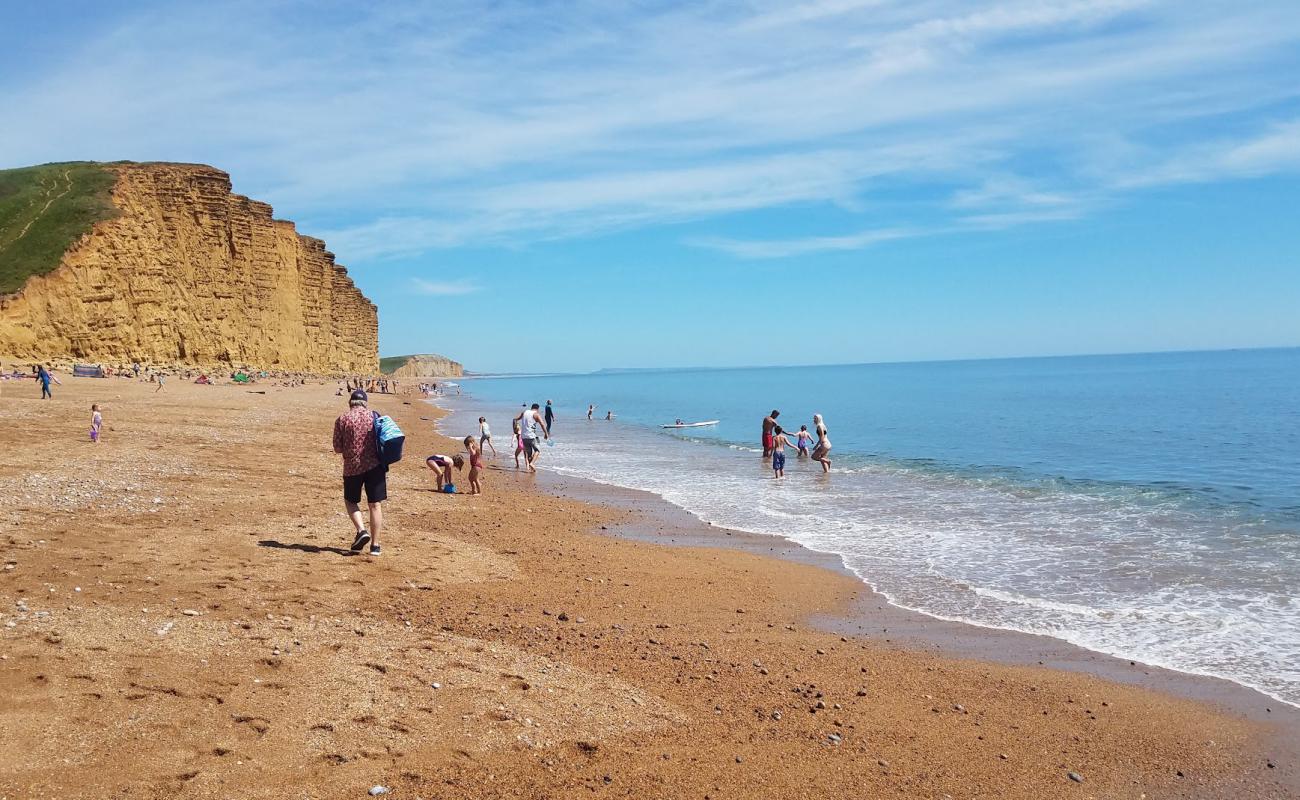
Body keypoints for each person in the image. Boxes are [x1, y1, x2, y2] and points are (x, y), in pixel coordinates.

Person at [333, 389, 386, 556]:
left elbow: (337, 448)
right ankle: (375, 546)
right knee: (375, 505)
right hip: (375, 466)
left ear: (350, 403)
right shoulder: (375, 417)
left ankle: (361, 530)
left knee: (350, 501)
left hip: (352, 467)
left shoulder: (342, 419)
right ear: (365, 403)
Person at [514, 403, 550, 473]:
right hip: (532, 436)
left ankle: (532, 470)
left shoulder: (524, 412)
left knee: (529, 454)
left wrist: (514, 426)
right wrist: (546, 434)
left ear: (531, 407)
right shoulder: (536, 414)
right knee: (537, 450)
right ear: (537, 409)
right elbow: (542, 424)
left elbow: (516, 419)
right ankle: (532, 463)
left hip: (524, 437)